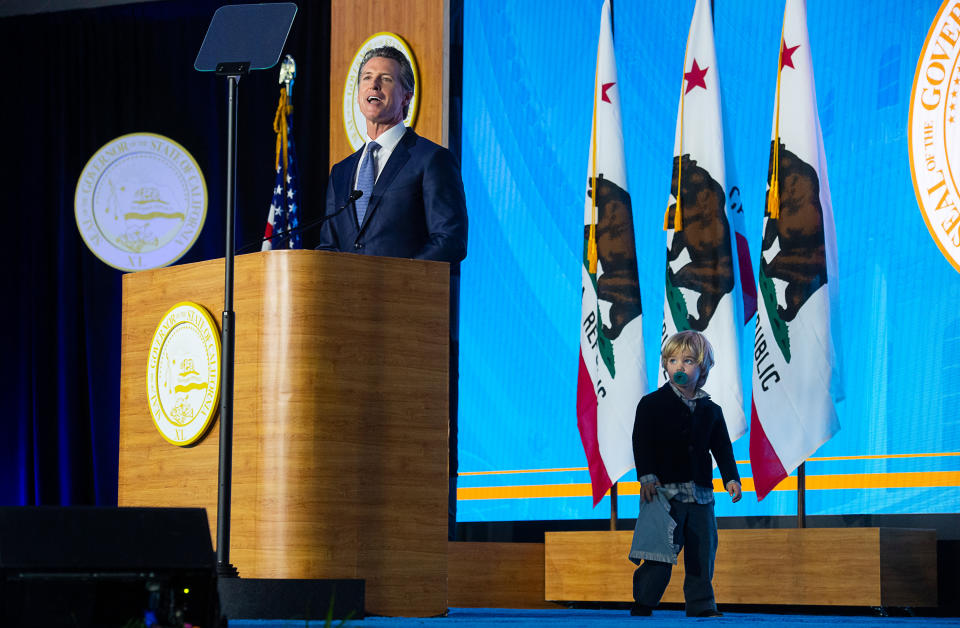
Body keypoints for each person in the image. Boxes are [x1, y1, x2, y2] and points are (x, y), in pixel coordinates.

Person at [317, 46, 468, 540]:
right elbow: (330, 244)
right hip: (351, 334)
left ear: (406, 94)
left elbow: (451, 240)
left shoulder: (430, 160)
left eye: (385, 78)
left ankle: (424, 539)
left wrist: (392, 284)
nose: (373, 85)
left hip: (410, 330)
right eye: (366, 77)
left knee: (412, 442)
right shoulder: (343, 173)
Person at [629, 330, 741, 618]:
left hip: (701, 495)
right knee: (660, 552)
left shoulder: (711, 410)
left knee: (702, 552)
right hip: (665, 493)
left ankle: (702, 604)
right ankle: (644, 600)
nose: (680, 366)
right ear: (665, 364)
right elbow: (642, 442)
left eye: (688, 361)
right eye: (673, 360)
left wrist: (731, 478)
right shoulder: (652, 404)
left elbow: (722, 448)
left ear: (702, 369)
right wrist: (648, 476)